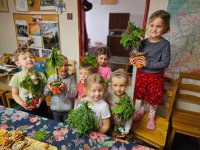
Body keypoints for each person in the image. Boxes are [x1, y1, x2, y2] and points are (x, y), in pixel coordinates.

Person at [129, 10, 171, 130]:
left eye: (158, 26)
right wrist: (133, 60)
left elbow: (165, 63)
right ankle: (141, 110)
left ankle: (152, 116)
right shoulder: (142, 42)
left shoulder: (165, 44)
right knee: (143, 94)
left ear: (165, 28)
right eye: (152, 25)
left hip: (155, 77)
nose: (154, 29)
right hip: (142, 74)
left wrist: (148, 63)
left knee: (153, 97)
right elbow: (137, 56)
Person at [9, 47, 48, 118]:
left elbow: (44, 91)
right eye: (25, 58)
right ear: (18, 63)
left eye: (31, 57)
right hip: (24, 107)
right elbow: (15, 94)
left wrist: (41, 99)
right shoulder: (16, 77)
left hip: (41, 105)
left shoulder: (41, 75)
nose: (29, 59)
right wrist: (23, 104)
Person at [44, 55, 77, 122]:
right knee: (56, 127)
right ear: (56, 67)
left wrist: (66, 88)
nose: (64, 68)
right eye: (61, 65)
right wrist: (49, 87)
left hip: (67, 110)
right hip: (55, 109)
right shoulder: (51, 78)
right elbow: (46, 93)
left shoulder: (71, 78)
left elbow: (74, 94)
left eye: (66, 65)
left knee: (67, 128)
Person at [106, 69, 134, 136]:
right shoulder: (108, 96)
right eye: (115, 85)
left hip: (121, 126)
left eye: (122, 85)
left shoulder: (128, 100)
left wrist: (126, 130)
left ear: (127, 85)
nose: (118, 89)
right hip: (108, 125)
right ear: (111, 85)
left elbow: (130, 117)